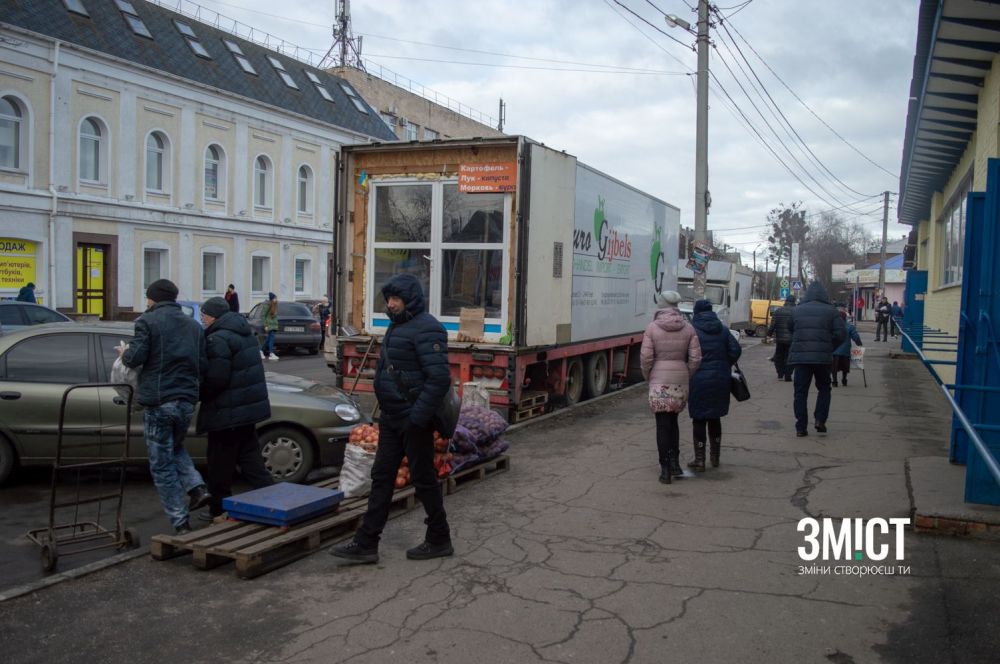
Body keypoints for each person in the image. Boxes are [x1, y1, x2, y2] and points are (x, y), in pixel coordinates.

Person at [330, 273, 453, 564]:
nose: (391, 304)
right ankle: (366, 542)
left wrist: (417, 418)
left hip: (413, 419)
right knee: (382, 476)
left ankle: (439, 538)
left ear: (410, 299)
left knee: (423, 479)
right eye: (388, 299)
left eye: (396, 298)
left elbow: (439, 379)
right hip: (392, 418)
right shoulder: (396, 326)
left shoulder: (428, 328)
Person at [121, 279, 210, 534]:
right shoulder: (193, 326)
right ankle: (197, 488)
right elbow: (202, 365)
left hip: (160, 402)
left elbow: (134, 358)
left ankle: (180, 522)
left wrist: (123, 353)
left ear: (153, 299)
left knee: (161, 466)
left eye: (148, 297)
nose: (146, 302)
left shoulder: (147, 321)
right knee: (175, 446)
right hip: (186, 401)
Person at [196, 296, 274, 520]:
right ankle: (273, 499)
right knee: (251, 459)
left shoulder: (218, 338)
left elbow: (217, 379)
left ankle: (218, 509)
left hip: (226, 412)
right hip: (245, 410)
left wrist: (200, 393)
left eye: (204, 315)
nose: (203, 320)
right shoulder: (243, 332)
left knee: (219, 464)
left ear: (213, 316)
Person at [640, 290, 702, 484]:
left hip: (659, 379)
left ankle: (665, 469)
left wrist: (649, 376)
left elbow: (646, 358)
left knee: (662, 424)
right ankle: (675, 464)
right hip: (680, 380)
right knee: (673, 422)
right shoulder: (688, 328)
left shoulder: (652, 328)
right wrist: (686, 374)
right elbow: (696, 358)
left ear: (662, 305)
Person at [687, 299, 741, 471]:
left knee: (699, 418)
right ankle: (715, 457)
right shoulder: (723, 330)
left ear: (696, 312)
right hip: (720, 378)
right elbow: (736, 350)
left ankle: (700, 460)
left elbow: (686, 354)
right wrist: (725, 364)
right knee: (715, 417)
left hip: (698, 379)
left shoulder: (692, 330)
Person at [787, 281, 846, 437]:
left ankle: (801, 427)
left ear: (807, 295)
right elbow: (841, 334)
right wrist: (829, 346)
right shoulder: (831, 311)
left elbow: (790, 328)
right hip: (822, 359)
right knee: (824, 389)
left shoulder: (797, 310)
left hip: (801, 358)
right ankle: (820, 420)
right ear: (824, 295)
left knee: (800, 392)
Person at [767, 295, 796, 382]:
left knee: (779, 356)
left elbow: (773, 324)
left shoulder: (778, 311)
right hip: (792, 339)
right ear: (794, 301)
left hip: (780, 339)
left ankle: (780, 374)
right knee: (789, 357)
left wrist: (769, 334)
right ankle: (788, 375)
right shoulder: (796, 311)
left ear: (786, 301)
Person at [831, 311, 862, 387]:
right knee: (845, 367)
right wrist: (859, 343)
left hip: (835, 350)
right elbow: (855, 336)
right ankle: (844, 380)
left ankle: (834, 381)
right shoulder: (850, 326)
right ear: (845, 318)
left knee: (834, 367)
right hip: (845, 351)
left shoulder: (833, 327)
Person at [260, 292, 279, 361]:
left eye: (276, 298)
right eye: (275, 298)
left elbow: (274, 316)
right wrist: (265, 325)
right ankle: (271, 353)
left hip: (274, 324)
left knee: (268, 339)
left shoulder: (275, 305)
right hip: (269, 324)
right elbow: (263, 315)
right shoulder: (267, 305)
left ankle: (260, 351)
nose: (276, 299)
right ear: (271, 299)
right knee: (271, 338)